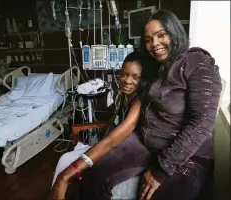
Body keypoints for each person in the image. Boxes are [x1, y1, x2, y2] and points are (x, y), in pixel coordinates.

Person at [50, 9, 222, 200]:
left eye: (161, 35)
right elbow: (114, 133)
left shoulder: (197, 61)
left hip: (187, 158)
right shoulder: (156, 70)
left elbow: (203, 122)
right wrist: (65, 175)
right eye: (148, 40)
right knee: (92, 178)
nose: (154, 43)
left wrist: (161, 169)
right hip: (145, 145)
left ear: (175, 33)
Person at [49, 51, 147, 200]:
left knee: (67, 165)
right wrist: (105, 131)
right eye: (124, 74)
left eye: (136, 77)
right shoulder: (121, 96)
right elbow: (113, 121)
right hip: (108, 146)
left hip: (120, 153)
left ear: (143, 80)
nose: (127, 80)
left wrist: (103, 142)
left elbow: (113, 140)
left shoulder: (138, 104)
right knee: (65, 159)